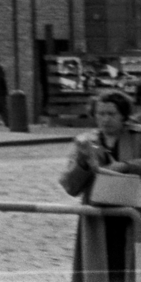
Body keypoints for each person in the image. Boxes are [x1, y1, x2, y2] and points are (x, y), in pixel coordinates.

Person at [60, 89, 141, 281]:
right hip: (98, 222)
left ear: (123, 115)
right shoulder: (87, 143)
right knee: (99, 272)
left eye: (111, 114)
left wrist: (126, 165)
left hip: (133, 219)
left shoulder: (137, 137)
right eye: (101, 114)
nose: (105, 119)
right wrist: (83, 163)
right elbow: (70, 186)